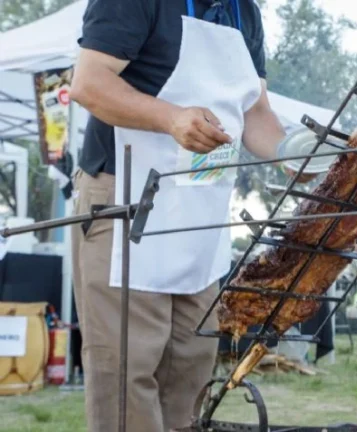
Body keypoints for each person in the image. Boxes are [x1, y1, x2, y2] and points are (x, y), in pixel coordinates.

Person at [69, 1, 301, 431]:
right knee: (128, 366)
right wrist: (172, 118)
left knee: (190, 366)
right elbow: (88, 83)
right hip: (126, 196)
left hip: (200, 206)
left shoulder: (244, 12)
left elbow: (255, 112)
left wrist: (293, 151)